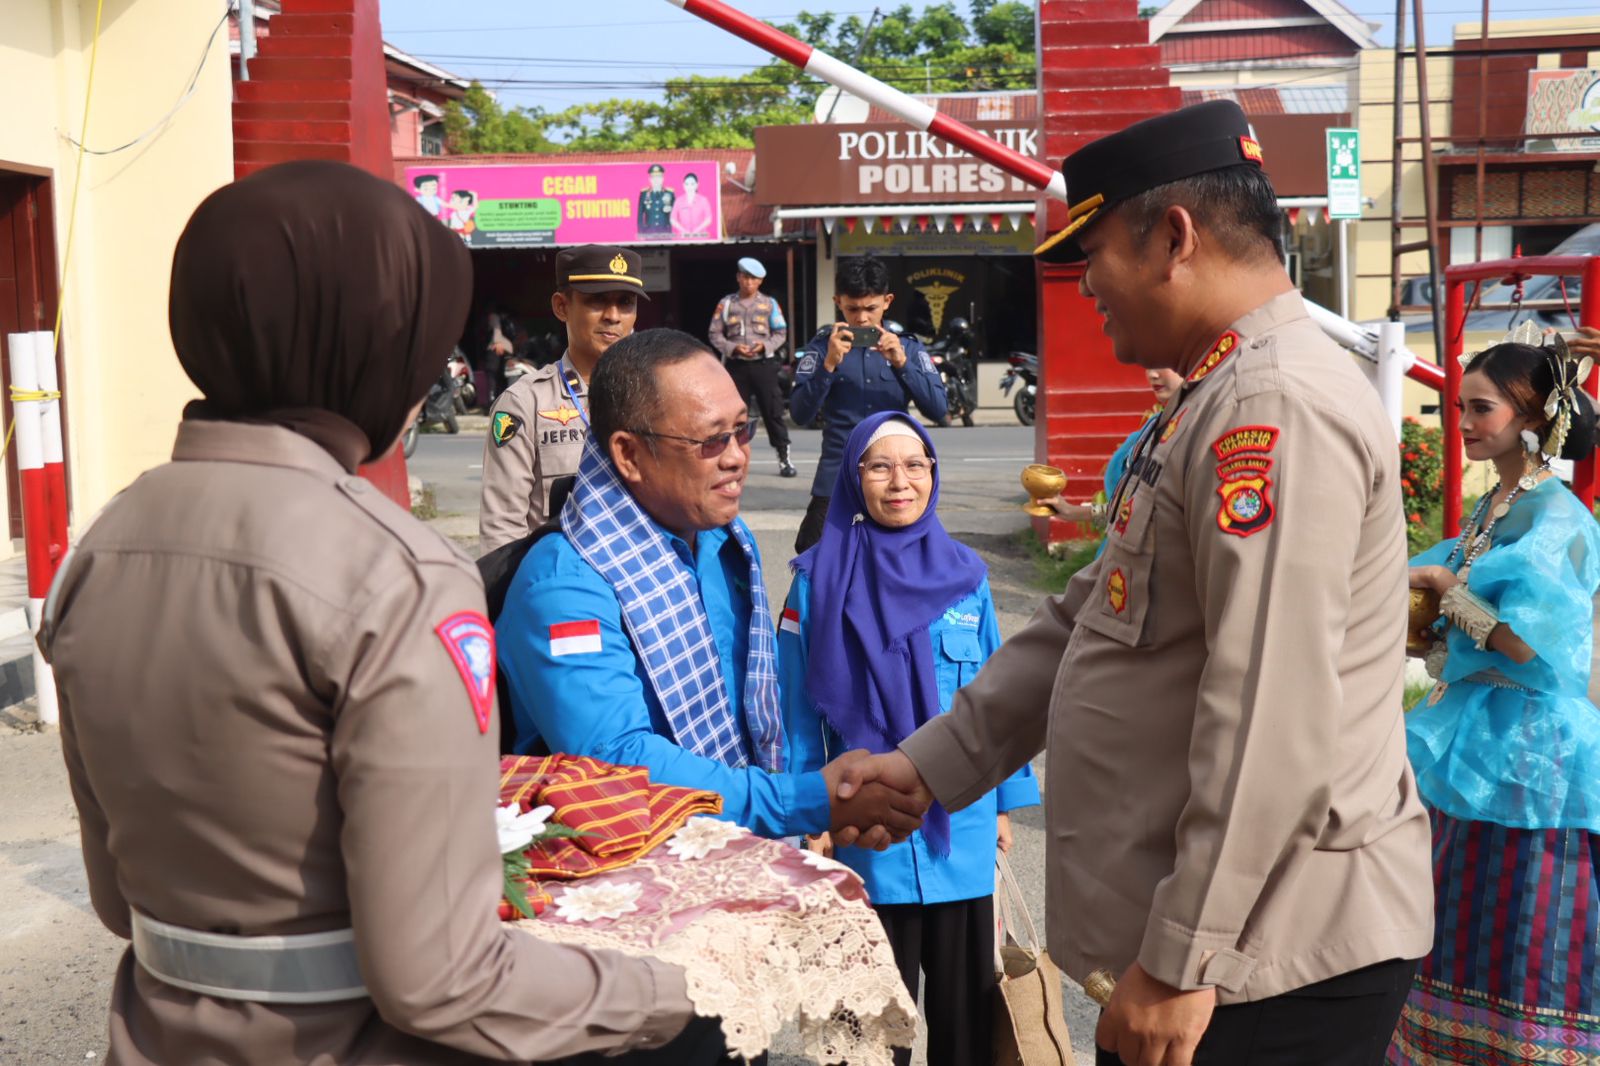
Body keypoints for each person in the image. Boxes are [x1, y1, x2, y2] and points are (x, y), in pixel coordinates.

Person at [39, 161, 734, 1065]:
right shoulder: (396, 576)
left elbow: (114, 897)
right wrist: (675, 992)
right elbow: (443, 977)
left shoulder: (100, 551)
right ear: (376, 347)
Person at [832, 100, 1435, 1066]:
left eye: (1094, 254)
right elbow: (1092, 616)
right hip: (1225, 945)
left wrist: (1185, 956)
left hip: (1262, 958)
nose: (1084, 286)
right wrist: (932, 765)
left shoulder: (1271, 405)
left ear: (1174, 237)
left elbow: (1270, 709)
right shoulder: (1216, 391)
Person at [496, 328, 923, 845]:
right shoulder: (565, 586)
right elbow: (615, 765)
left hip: (738, 848)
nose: (737, 456)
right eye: (710, 440)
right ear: (629, 454)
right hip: (634, 868)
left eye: (742, 430)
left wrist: (812, 807)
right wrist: (807, 801)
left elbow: (757, 707)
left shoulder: (721, 541)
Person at [779, 412, 1040, 1066]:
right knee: (870, 1034)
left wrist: (1006, 802)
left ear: (933, 473)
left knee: (966, 1028)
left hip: (961, 828)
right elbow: (797, 713)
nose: (901, 482)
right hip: (866, 838)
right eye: (880, 466)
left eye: (915, 465)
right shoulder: (815, 580)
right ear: (853, 477)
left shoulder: (967, 575)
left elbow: (997, 699)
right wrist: (809, 813)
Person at [1392, 327, 1600, 1065]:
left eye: (1481, 409)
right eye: (1460, 408)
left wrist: (1444, 589)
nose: (1464, 423)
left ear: (1536, 417)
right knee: (1455, 910)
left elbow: (1529, 647)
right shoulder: (1496, 508)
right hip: (1478, 731)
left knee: (1523, 923)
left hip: (1533, 752)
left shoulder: (1557, 517)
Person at [479, 245, 644, 554]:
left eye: (625, 303)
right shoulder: (524, 403)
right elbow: (502, 527)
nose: (613, 316)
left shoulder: (655, 396)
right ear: (561, 306)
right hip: (558, 577)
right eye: (597, 300)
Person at [789, 254, 947, 553]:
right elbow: (799, 413)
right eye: (852, 309)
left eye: (870, 308)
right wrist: (828, 365)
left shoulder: (908, 347)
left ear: (887, 301)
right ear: (838, 301)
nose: (861, 318)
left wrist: (902, 364)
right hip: (836, 477)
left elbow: (939, 409)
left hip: (895, 479)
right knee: (815, 559)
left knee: (900, 561)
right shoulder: (822, 348)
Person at [1048, 368, 1184, 544]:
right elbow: (1129, 512)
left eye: (1162, 363)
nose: (1153, 375)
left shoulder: (1198, 436)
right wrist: (1071, 512)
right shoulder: (1150, 428)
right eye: (1149, 365)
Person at [708, 257, 795, 478]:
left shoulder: (769, 304)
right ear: (738, 277)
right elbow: (714, 333)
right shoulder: (727, 304)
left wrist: (764, 346)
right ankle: (732, 459)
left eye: (753, 279)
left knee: (773, 412)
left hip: (763, 365)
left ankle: (784, 459)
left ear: (760, 281)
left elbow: (781, 333)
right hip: (736, 366)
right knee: (733, 415)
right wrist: (733, 348)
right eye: (745, 277)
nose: (748, 282)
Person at [670, 172, 713, 239]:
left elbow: (708, 219)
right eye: (687, 184)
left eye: (692, 184)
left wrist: (697, 230)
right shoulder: (678, 201)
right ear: (683, 185)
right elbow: (672, 219)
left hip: (700, 237)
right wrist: (683, 230)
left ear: (697, 185)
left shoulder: (703, 200)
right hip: (683, 237)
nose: (689, 187)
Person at [637, 164, 674, 237]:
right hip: (649, 233)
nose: (656, 180)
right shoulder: (644, 194)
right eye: (653, 177)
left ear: (663, 178)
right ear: (650, 179)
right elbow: (640, 215)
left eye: (659, 177)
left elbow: (675, 213)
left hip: (665, 233)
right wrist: (641, 232)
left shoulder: (669, 193)